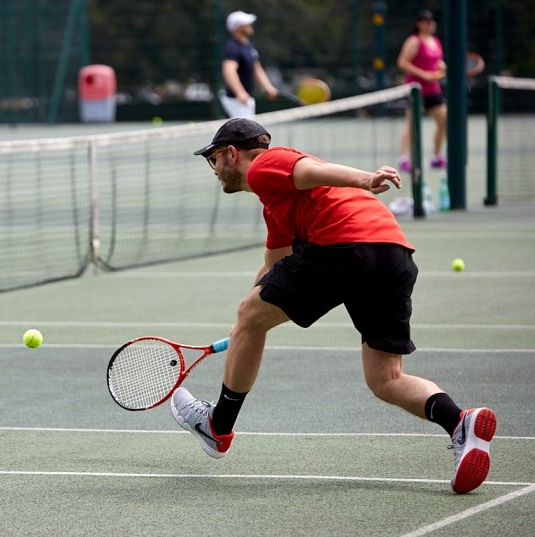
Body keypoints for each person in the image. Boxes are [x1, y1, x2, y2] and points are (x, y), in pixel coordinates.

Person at [171, 117, 497, 494]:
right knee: (386, 379)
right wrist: (246, 319)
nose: (214, 169)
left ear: (232, 154)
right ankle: (460, 422)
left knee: (252, 317)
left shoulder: (264, 165)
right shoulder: (276, 205)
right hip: (392, 254)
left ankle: (218, 426)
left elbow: (311, 170)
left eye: (213, 159)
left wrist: (364, 178)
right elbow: (274, 264)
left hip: (343, 247)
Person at [397, 9, 447, 172]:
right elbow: (403, 63)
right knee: (412, 125)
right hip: (415, 91)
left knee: (444, 122)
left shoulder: (435, 41)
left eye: (431, 22)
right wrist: (424, 74)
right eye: (425, 22)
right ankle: (403, 159)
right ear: (419, 24)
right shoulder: (414, 41)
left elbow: (438, 61)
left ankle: (436, 157)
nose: (429, 25)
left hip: (433, 90)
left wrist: (441, 66)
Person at [219, 10, 280, 118]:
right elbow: (229, 71)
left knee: (248, 132)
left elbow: (256, 68)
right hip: (236, 100)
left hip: (247, 99)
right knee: (246, 133)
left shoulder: (248, 46)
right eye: (246, 23)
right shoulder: (232, 48)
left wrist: (268, 88)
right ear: (237, 27)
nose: (250, 25)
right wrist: (240, 93)